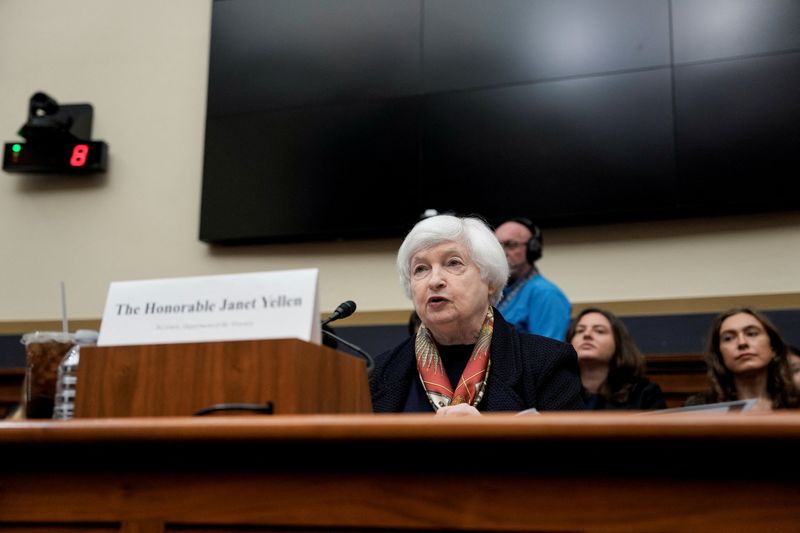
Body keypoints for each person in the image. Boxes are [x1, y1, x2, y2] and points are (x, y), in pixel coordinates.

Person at [369, 214, 585, 415]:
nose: (434, 281)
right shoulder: (377, 373)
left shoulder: (547, 361)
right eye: (420, 269)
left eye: (453, 263)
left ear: (490, 281)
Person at [685, 308, 800, 410]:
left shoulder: (794, 404)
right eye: (729, 338)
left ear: (773, 348)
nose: (742, 342)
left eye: (752, 333)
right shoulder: (700, 407)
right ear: (719, 355)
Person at [567, 307, 666, 410]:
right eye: (580, 331)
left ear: (618, 343)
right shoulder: (557, 391)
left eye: (599, 331)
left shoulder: (644, 394)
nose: (587, 335)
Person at [493, 217, 571, 340]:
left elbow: (549, 355)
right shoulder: (494, 290)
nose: (502, 253)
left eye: (511, 245)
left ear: (532, 249)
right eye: (497, 246)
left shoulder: (547, 294)